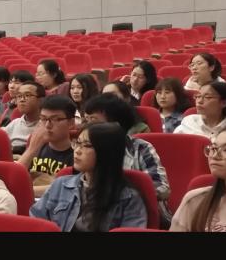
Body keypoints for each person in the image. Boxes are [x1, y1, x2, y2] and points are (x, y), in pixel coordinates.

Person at [30, 122, 147, 232]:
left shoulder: (128, 199)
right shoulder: (61, 185)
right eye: (77, 143)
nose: (77, 151)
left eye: (86, 145)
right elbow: (35, 222)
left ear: (106, 152)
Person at [83, 93, 171, 222]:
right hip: (91, 213)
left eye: (94, 121)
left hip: (135, 213)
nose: (87, 127)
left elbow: (162, 188)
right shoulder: (83, 149)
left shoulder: (140, 148)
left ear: (116, 125)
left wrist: (120, 193)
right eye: (86, 120)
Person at [18, 95, 76, 195]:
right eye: (43, 119)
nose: (48, 125)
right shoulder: (36, 146)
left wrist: (24, 191)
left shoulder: (78, 153)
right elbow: (14, 176)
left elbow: (65, 188)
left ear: (71, 123)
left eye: (55, 119)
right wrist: (31, 150)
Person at [4, 81, 44, 157]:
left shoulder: (47, 125)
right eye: (19, 96)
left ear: (41, 100)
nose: (22, 99)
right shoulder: (15, 123)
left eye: (27, 95)